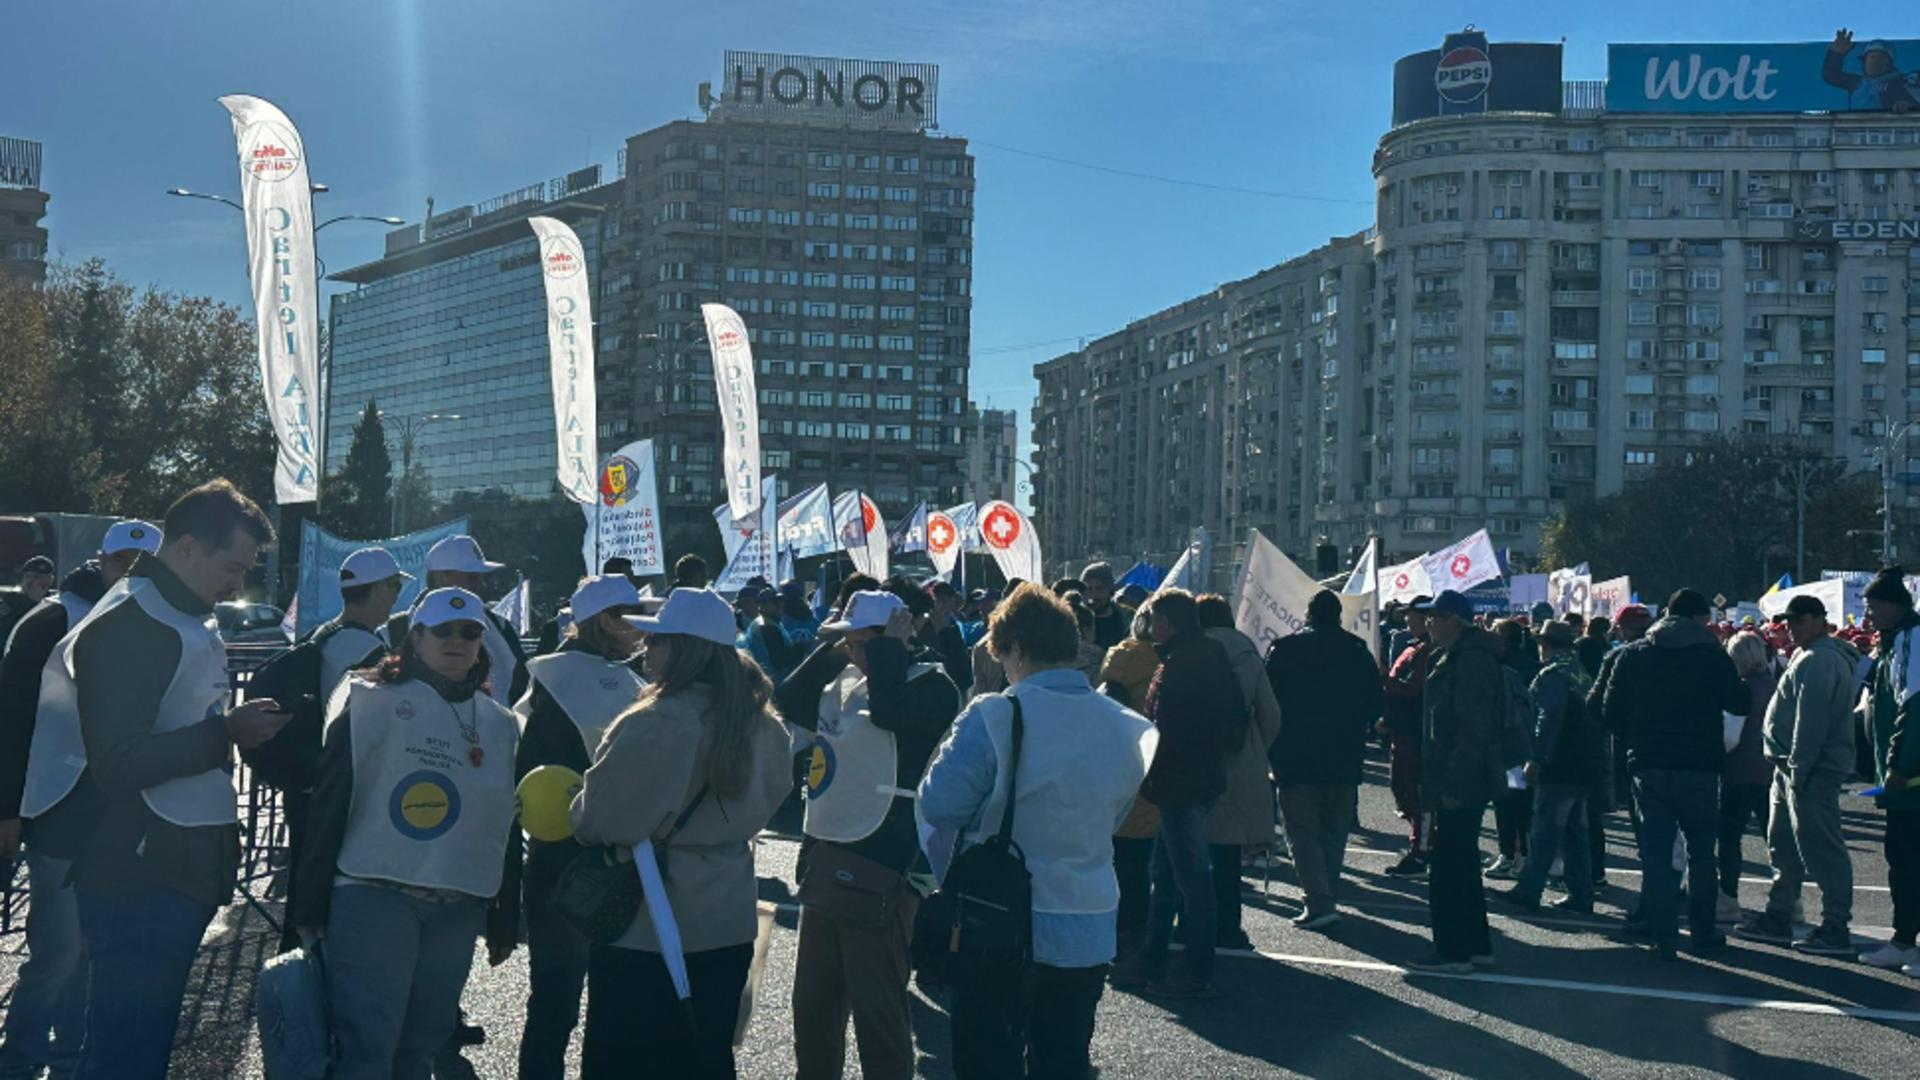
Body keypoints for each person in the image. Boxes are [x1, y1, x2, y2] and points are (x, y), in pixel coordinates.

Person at [19, 482, 284, 1079]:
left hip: (161, 862)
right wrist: (228, 734)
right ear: (187, 547)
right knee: (125, 1054)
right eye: (232, 566)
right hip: (139, 868)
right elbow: (119, 762)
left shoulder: (172, 611)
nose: (239, 584)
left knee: (133, 1047)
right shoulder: (136, 620)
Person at [919, 584, 1156, 1080]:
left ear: (1017, 650)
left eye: (1002, 654)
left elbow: (941, 803)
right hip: (1087, 921)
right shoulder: (1128, 726)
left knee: (987, 1060)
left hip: (1000, 921)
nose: (1003, 668)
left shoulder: (997, 714)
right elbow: (1115, 814)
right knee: (1065, 1060)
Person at [291, 588, 520, 1080]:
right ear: (415, 637)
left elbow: (505, 820)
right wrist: (307, 906)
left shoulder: (501, 724)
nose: (456, 641)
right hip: (375, 892)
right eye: (442, 630)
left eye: (470, 632)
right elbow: (328, 804)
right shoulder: (369, 699)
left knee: (422, 1045)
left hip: (458, 902)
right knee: (367, 1049)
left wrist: (505, 915)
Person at [569, 587, 792, 1077]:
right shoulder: (765, 726)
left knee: (626, 1062)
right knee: (703, 1055)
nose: (648, 650)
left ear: (681, 648)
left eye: (657, 641)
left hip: (648, 921)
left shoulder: (653, 721)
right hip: (728, 918)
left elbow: (597, 821)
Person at [0, 520, 161, 1080]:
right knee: (60, 948)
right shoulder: (51, 617)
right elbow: (11, 719)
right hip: (58, 806)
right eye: (123, 563)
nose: (133, 576)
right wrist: (8, 809)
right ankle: (21, 1053)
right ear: (103, 559)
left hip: (122, 812)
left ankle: (71, 1055)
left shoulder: (161, 622)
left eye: (145, 566)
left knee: (94, 948)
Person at [778, 589, 959, 1080]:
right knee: (813, 1005)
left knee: (877, 1009)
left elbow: (891, 715)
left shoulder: (933, 684)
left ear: (894, 640)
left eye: (861, 643)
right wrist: (838, 645)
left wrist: (888, 654)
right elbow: (789, 699)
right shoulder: (848, 677)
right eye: (848, 642)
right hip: (829, 848)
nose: (851, 652)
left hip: (884, 861)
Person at [242, 545, 409, 952]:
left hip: (306, 784)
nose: (396, 596)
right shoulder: (367, 651)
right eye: (393, 587)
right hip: (342, 794)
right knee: (330, 901)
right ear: (381, 591)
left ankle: (292, 992)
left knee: (305, 889)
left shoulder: (324, 635)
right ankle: (315, 995)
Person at [512, 575, 646, 1080]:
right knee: (561, 994)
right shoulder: (570, 678)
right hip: (572, 860)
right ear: (605, 621)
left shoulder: (608, 674)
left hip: (594, 856)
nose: (642, 626)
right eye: (632, 614)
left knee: (578, 996)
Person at [1112, 589, 1247, 998]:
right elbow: (1234, 722)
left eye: (1153, 621)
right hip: (1192, 780)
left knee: (1190, 879)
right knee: (1167, 875)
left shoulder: (1182, 664)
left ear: (1167, 624)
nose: (1150, 628)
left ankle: (1196, 968)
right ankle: (1154, 956)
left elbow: (1171, 728)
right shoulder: (1207, 657)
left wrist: (1157, 765)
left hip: (1181, 783)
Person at [1603, 588, 1748, 960]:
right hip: (1699, 764)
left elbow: (1609, 711)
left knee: (1655, 853)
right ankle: (1703, 932)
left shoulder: (1634, 655)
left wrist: (1637, 737)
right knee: (1701, 853)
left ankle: (1663, 932)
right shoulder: (1711, 656)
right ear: (1700, 620)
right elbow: (1738, 701)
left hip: (1649, 763)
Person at [1733, 595, 1860, 955]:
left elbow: (1812, 721)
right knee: (1784, 847)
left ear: (1819, 620)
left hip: (1808, 770)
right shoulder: (1810, 654)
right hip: (1790, 767)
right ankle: (1779, 915)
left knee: (1822, 850)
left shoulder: (1820, 659)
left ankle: (1835, 926)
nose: (1791, 627)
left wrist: (1800, 769)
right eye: (1788, 622)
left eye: (1799, 620)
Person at [1265, 588, 1383, 930]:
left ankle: (1319, 899)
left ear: (1309, 614)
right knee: (1334, 831)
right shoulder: (1357, 651)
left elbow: (1268, 701)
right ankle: (1326, 891)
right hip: (1344, 754)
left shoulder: (1285, 649)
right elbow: (1376, 704)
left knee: (1302, 832)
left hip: (1295, 753)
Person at [1403, 590, 1505, 975]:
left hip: (1460, 779)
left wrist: (1450, 783)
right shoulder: (1463, 657)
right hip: (1464, 776)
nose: (1429, 623)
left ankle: (1453, 951)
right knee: (1461, 862)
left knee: (1448, 867)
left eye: (1437, 617)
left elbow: (1471, 729)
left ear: (1456, 622)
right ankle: (1475, 945)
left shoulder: (1470, 662)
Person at [1498, 621, 1602, 914]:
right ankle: (1581, 893)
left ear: (1546, 644)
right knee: (1575, 833)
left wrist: (1537, 758)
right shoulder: (1580, 672)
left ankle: (1529, 889)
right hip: (1584, 761)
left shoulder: (1554, 675)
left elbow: (1548, 719)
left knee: (1544, 828)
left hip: (1560, 762)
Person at [1196, 593, 1281, 951]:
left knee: (1191, 850)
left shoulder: (1192, 651)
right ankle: (1229, 927)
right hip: (1241, 758)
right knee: (1228, 853)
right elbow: (1272, 715)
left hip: (1197, 760)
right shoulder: (1248, 654)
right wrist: (1255, 750)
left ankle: (1192, 924)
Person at [1859, 567, 1920, 973]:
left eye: (1873, 605)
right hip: (1901, 779)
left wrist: (1899, 767)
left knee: (1909, 861)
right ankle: (1903, 939)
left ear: (1892, 605)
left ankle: (1904, 942)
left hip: (1911, 781)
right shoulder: (1896, 642)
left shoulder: (1913, 642)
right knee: (1903, 860)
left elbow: (1913, 708)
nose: (1868, 615)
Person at [388, 535, 528, 708]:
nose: (480, 584)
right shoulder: (396, 628)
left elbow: (522, 682)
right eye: (472, 577)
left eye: (471, 634)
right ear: (442, 578)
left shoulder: (500, 625)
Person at [1099, 610, 1162, 956]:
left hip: (1115, 763)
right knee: (1141, 861)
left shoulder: (1116, 658)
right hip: (1153, 762)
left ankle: (1117, 924)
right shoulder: (1165, 665)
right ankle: (1135, 928)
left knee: (1116, 856)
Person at [1588, 603, 1653, 885]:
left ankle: (1653, 903)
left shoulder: (1619, 656)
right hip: (1682, 752)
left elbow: (1598, 706)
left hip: (1633, 750)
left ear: (1623, 629)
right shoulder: (1681, 654)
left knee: (1647, 828)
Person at [1717, 631, 1778, 927]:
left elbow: (1730, 738)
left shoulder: (1740, 690)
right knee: (1776, 841)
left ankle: (1727, 898)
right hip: (1770, 771)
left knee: (1729, 838)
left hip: (1738, 771)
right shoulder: (1775, 686)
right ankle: (1788, 901)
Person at [1382, 598, 1435, 878]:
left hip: (1416, 733)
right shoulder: (1415, 648)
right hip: (1403, 730)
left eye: (1411, 616)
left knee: (1418, 792)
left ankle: (1422, 851)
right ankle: (1422, 845)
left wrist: (1388, 685)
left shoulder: (1428, 652)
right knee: (1404, 789)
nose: (1406, 621)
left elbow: (1415, 689)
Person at [1485, 619, 1535, 882]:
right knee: (1520, 805)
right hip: (1524, 749)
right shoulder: (1532, 663)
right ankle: (1518, 854)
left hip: (1511, 749)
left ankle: (1513, 855)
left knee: (1509, 803)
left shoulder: (1505, 670)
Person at [0, 556, 56, 647]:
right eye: (29, 576)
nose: (35, 582)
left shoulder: (55, 602)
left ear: (50, 580)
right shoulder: (11, 602)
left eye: (39, 577)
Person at [1080, 562, 1134, 649]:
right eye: (1089, 589)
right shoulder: (1075, 619)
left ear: (1110, 590)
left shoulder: (1127, 619)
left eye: (1099, 589)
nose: (1093, 595)